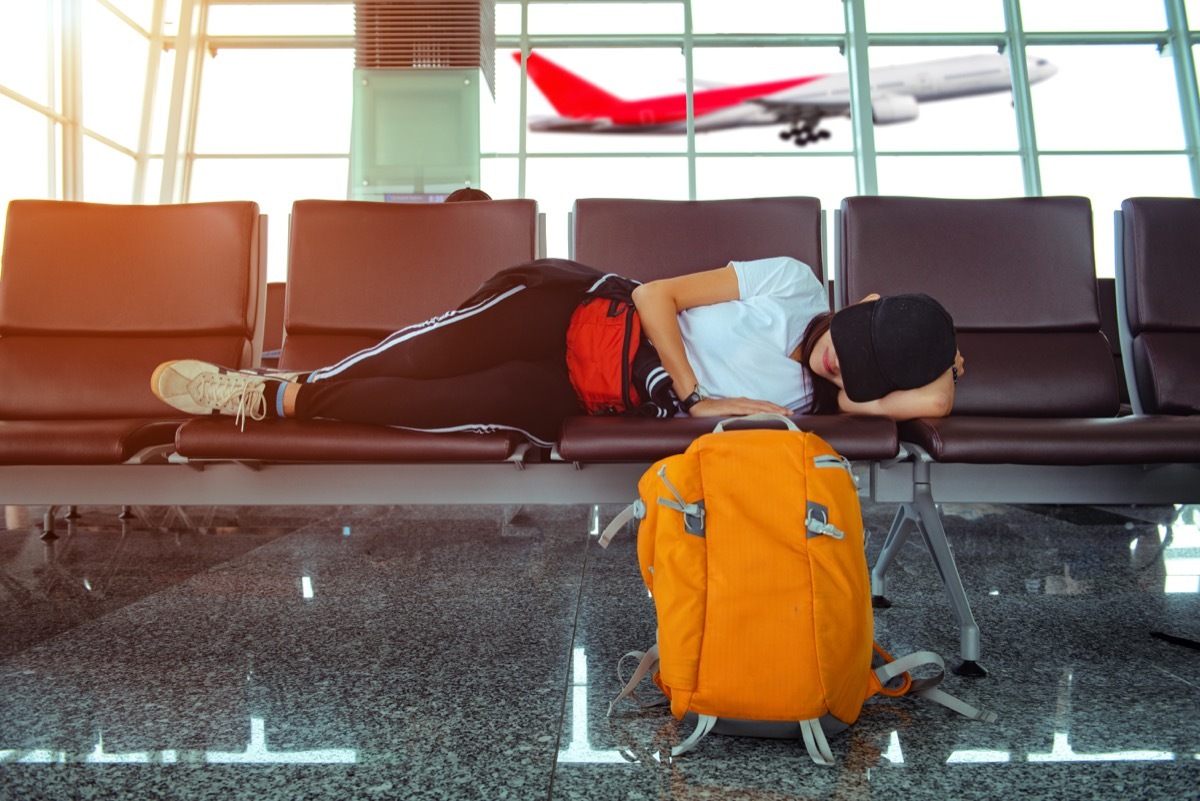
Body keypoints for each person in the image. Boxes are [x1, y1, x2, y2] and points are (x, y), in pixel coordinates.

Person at [149, 257, 963, 447]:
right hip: (570, 320)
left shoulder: (816, 404)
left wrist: (939, 369)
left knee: (440, 403)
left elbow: (920, 407)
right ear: (858, 305)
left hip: (581, 398)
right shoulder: (790, 281)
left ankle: (283, 400)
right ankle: (264, 388)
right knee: (424, 355)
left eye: (859, 371)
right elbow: (655, 297)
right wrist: (691, 393)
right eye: (848, 345)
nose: (836, 367)